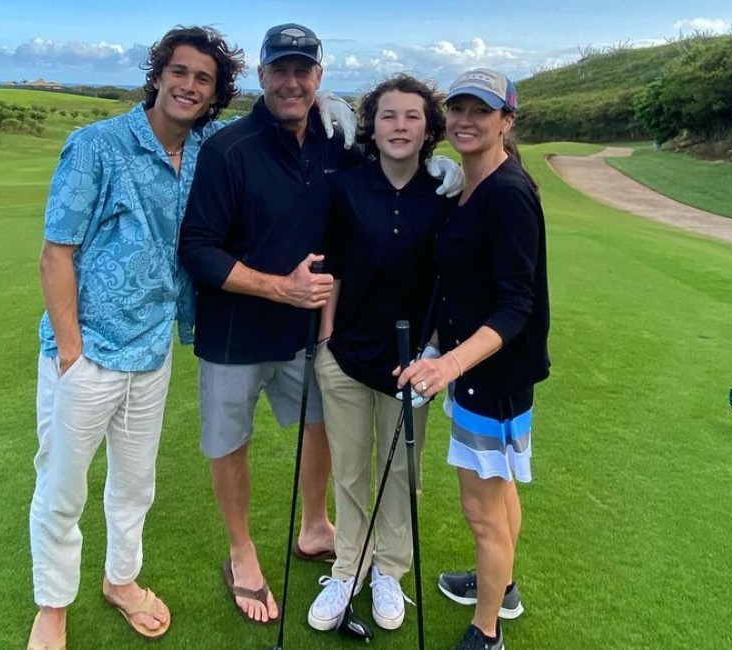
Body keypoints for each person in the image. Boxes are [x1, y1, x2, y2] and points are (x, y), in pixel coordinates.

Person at [26, 26, 245, 650]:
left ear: (213, 94)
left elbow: (277, 142)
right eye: (180, 72)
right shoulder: (96, 146)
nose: (189, 86)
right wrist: (71, 354)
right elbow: (55, 255)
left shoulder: (207, 149)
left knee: (134, 485)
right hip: (88, 350)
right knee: (62, 485)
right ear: (158, 76)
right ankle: (52, 604)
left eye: (203, 79)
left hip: (152, 353)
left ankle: (121, 581)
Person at [178, 22, 358, 626]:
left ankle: (314, 526)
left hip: (306, 332)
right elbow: (198, 249)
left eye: (303, 71)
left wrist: (449, 175)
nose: (291, 82)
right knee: (230, 443)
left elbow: (396, 155)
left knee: (321, 426)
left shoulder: (334, 142)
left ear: (319, 78)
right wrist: (278, 287)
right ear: (261, 76)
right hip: (234, 335)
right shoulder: (228, 150)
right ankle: (241, 552)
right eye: (279, 70)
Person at [396, 68, 550, 650]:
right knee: (500, 486)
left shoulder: (508, 194)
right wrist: (437, 343)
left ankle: (487, 631)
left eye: (479, 111)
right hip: (480, 367)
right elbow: (460, 285)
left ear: (506, 121)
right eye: (457, 109)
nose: (464, 120)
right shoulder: (470, 183)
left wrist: (448, 365)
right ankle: (502, 586)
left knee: (482, 507)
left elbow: (516, 304)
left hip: (493, 373)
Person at [307, 73, 447, 633]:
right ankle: (348, 568)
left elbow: (448, 280)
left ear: (427, 128)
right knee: (350, 469)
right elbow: (332, 267)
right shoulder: (348, 186)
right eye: (389, 115)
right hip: (345, 354)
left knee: (402, 473)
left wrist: (436, 348)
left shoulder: (444, 195)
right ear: (374, 124)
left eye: (412, 116)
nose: (400, 126)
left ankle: (389, 568)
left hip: (410, 361)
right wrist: (324, 340)